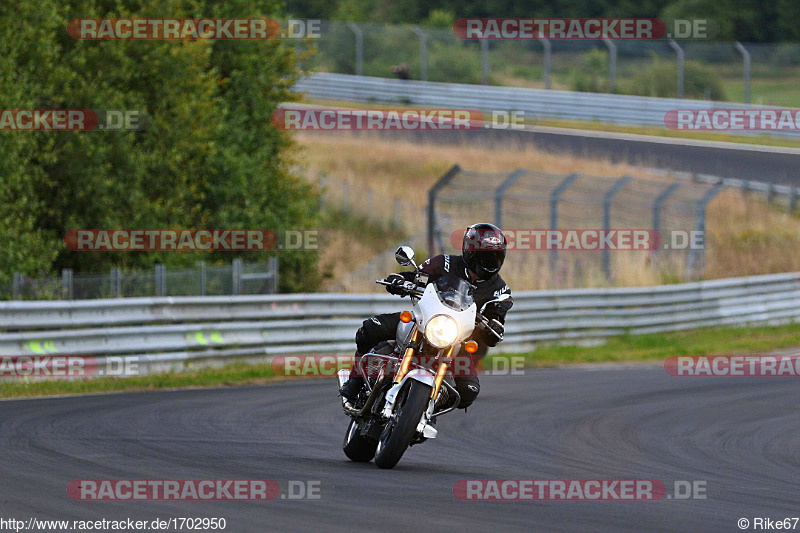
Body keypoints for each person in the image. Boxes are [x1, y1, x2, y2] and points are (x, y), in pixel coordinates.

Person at [339, 223, 512, 409]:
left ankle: (424, 409)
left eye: (494, 257)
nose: (488, 262)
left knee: (469, 390)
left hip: (456, 339)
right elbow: (418, 276)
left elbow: (497, 319)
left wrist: (494, 327)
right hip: (423, 321)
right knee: (370, 329)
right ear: (470, 252)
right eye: (484, 256)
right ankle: (355, 381)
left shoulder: (500, 290)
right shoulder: (445, 263)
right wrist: (400, 280)